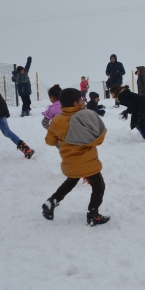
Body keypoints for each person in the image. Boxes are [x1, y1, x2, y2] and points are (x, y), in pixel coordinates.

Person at [42, 88, 110, 226]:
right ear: (76, 103)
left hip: (70, 161)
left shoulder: (57, 120)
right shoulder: (84, 117)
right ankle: (93, 214)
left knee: (71, 181)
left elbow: (50, 141)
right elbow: (98, 138)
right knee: (98, 186)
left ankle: (52, 201)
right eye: (81, 100)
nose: (82, 102)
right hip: (88, 162)